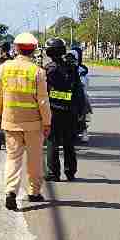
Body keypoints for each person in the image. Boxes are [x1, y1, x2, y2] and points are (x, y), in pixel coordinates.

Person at [0, 32, 51, 211]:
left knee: (13, 158)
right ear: (33, 50)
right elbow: (43, 101)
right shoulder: (37, 72)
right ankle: (34, 192)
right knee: (35, 159)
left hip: (10, 122)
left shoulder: (4, 68)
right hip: (33, 124)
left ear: (16, 48)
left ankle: (11, 191)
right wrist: (47, 122)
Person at [44, 38, 80, 181]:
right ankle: (70, 172)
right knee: (69, 142)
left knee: (52, 141)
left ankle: (53, 173)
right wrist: (79, 110)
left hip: (53, 110)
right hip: (70, 110)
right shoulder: (72, 68)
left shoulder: (47, 69)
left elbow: (43, 92)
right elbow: (78, 91)